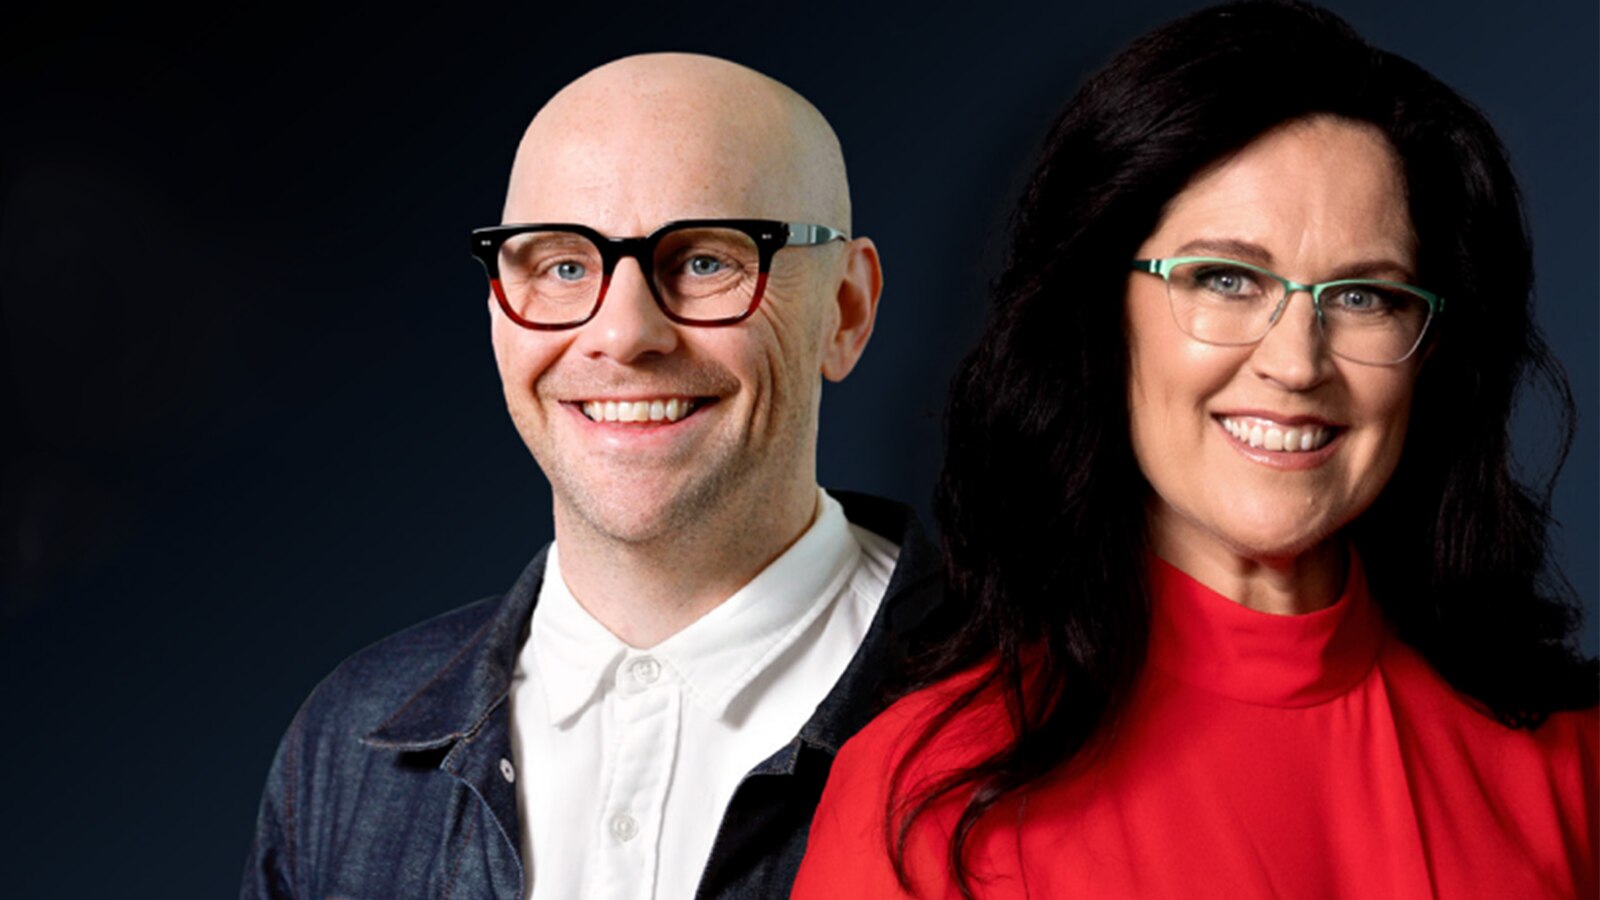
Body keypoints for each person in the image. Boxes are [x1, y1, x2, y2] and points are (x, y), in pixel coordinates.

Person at [791, 2, 1598, 898]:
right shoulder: (925, 803)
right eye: (1224, 279)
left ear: (1431, 352)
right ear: (1103, 319)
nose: (1297, 363)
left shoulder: (1572, 761)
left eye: (1364, 296)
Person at [241, 53, 946, 900]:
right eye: (564, 267)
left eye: (704, 260)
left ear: (845, 310)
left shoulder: (1040, 708)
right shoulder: (348, 743)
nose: (622, 334)